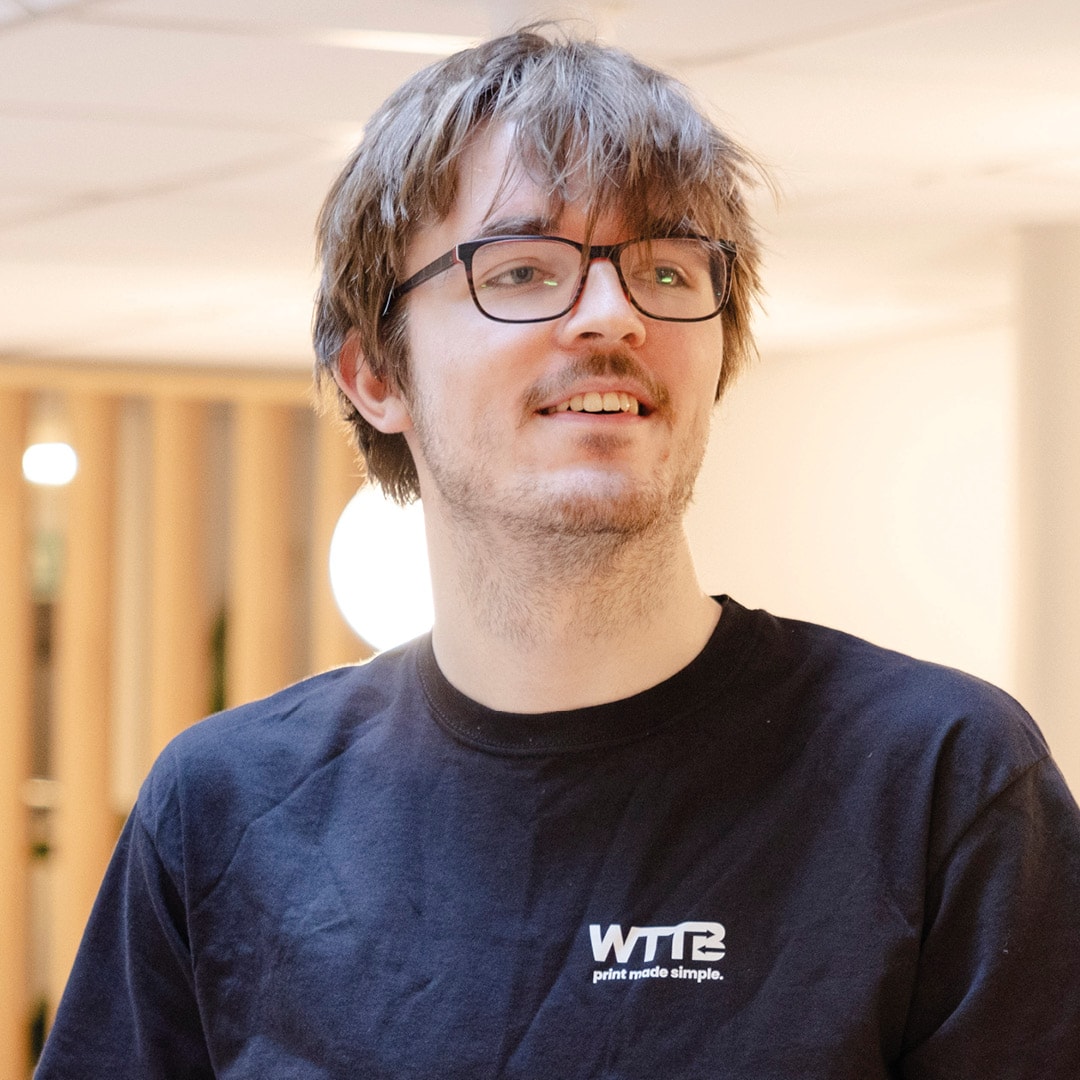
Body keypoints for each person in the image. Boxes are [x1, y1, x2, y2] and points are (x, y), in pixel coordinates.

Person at [37, 26, 1080, 1079]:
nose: (611, 315)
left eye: (668, 268)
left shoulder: (939, 778)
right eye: (525, 269)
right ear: (375, 375)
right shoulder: (225, 810)